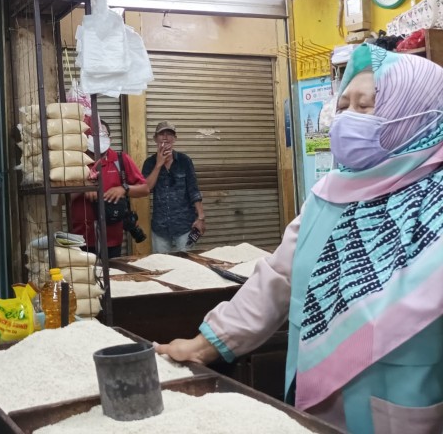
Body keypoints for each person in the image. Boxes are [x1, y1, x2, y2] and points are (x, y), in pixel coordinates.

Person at [155, 44, 443, 434]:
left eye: (367, 106)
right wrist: (206, 344)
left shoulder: (434, 207)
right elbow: (278, 277)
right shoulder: (329, 194)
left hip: (407, 406)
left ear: (417, 114)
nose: (347, 120)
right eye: (344, 106)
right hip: (318, 401)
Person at [70, 120, 148, 258]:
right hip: (81, 239)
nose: (98, 139)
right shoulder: (75, 161)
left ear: (109, 139)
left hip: (111, 239)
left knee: (111, 276)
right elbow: (59, 200)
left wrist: (124, 189)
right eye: (94, 135)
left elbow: (144, 189)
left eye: (103, 135)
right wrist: (83, 187)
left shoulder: (120, 160)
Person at [141, 121, 205, 253]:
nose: (165, 137)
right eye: (161, 134)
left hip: (185, 225)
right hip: (160, 227)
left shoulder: (185, 161)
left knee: (188, 264)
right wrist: (159, 164)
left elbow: (194, 190)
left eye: (170, 134)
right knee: (161, 266)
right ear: (155, 139)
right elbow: (146, 189)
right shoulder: (149, 163)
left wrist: (201, 217)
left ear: (175, 138)